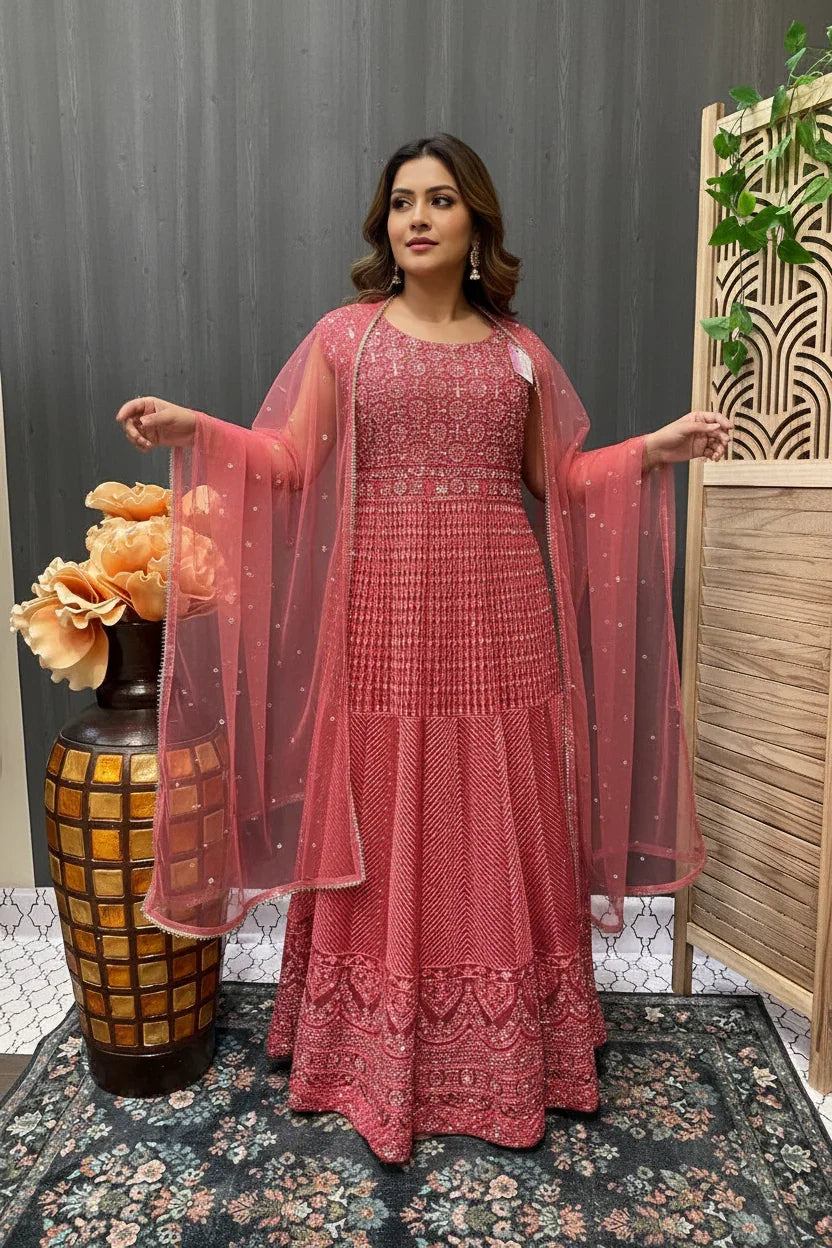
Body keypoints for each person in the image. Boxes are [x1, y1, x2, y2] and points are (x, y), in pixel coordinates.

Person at [116, 133, 730, 1164]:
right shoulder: (344, 339)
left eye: (440, 200)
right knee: (387, 802)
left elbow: (563, 482)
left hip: (501, 616)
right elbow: (284, 458)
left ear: (475, 223)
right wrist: (196, 429)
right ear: (383, 224)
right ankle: (365, 1049)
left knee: (502, 804)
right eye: (402, 201)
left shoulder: (518, 351)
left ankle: (513, 1052)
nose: (417, 217)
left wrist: (651, 450)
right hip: (383, 618)